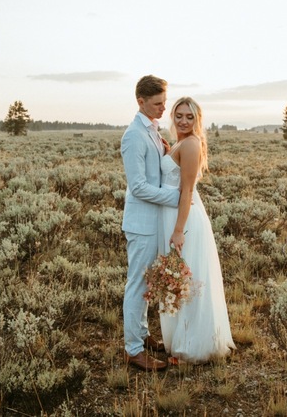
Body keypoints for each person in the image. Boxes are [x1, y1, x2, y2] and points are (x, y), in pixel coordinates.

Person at [159, 96, 236, 364]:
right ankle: (183, 337)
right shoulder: (179, 142)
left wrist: (179, 230)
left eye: (189, 117)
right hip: (174, 216)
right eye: (179, 115)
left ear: (197, 120)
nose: (183, 120)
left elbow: (187, 190)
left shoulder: (191, 144)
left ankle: (193, 346)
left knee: (188, 277)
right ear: (172, 116)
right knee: (179, 278)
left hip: (185, 219)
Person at [120, 75, 180, 371]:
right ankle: (133, 350)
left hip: (154, 221)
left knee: (146, 285)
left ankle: (142, 335)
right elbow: (139, 186)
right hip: (141, 223)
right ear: (140, 102)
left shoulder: (154, 131)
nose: (163, 108)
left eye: (164, 102)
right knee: (137, 285)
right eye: (157, 103)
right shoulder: (133, 135)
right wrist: (177, 198)